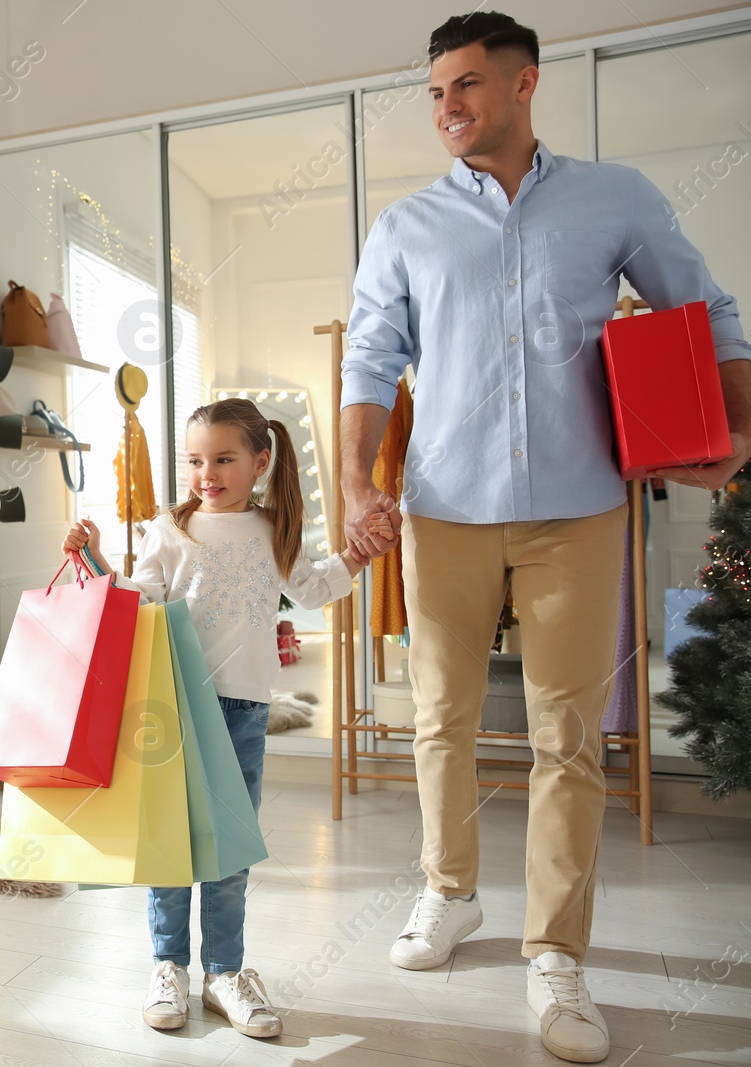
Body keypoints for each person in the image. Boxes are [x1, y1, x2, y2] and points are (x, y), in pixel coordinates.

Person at [340, 12, 751, 1064]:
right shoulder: (405, 226)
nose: (447, 109)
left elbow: (704, 312)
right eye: (435, 92)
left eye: (467, 85)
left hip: (580, 504)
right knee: (442, 717)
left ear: (525, 85)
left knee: (569, 732)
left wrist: (737, 427)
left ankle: (555, 950)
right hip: (443, 505)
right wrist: (352, 481)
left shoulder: (614, 197)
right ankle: (448, 893)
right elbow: (367, 363)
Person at [62, 397, 388, 1041]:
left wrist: (358, 556)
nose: (205, 473)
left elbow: (316, 586)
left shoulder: (272, 530)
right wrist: (97, 559)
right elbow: (143, 600)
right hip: (173, 702)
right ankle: (168, 966)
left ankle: (224, 973)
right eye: (194, 460)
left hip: (243, 709)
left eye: (223, 459)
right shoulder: (168, 530)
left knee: (229, 848)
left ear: (260, 461)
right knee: (170, 842)